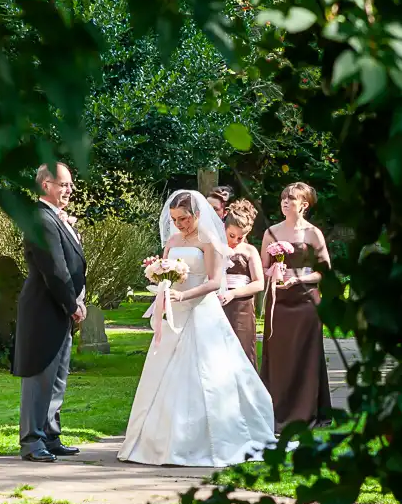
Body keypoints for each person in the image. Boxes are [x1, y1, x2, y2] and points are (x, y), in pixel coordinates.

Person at [118, 189, 275, 467]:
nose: (180, 225)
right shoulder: (173, 241)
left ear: (198, 215)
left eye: (185, 219)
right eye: (175, 219)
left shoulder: (209, 242)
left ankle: (209, 440)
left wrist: (185, 295)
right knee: (163, 374)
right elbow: (165, 271)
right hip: (174, 312)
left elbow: (215, 281)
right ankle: (157, 442)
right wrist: (163, 286)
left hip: (202, 311)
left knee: (206, 375)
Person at [13, 162, 87, 462]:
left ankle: (50, 435)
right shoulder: (40, 219)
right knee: (39, 374)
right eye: (64, 185)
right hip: (44, 307)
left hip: (59, 308)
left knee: (57, 376)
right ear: (46, 185)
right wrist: (72, 305)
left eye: (70, 185)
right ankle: (32, 442)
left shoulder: (56, 218)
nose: (69, 190)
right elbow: (54, 270)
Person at [260, 182, 332, 433]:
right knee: (279, 355)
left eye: (291, 199)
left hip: (305, 301)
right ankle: (275, 410)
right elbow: (262, 270)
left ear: (304, 204)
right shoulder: (271, 232)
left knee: (305, 355)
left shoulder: (313, 234)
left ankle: (305, 412)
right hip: (279, 301)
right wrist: (275, 272)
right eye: (283, 198)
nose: (285, 202)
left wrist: (300, 279)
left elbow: (325, 273)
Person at [219, 199, 264, 368]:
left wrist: (232, 293)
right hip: (216, 303)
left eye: (241, 237)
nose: (236, 240)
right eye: (232, 235)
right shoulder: (214, 247)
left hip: (241, 307)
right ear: (224, 227)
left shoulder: (249, 251)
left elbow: (259, 283)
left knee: (242, 350)